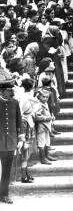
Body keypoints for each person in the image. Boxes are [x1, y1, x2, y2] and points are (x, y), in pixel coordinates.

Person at [0, 71, 24, 204]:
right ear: (2, 91)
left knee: (6, 171)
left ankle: (4, 194)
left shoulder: (14, 103)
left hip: (10, 142)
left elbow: (19, 121)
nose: (12, 93)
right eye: (9, 90)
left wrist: (20, 139)